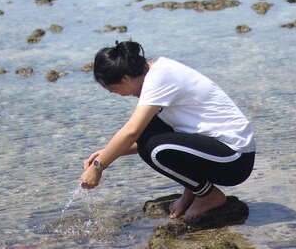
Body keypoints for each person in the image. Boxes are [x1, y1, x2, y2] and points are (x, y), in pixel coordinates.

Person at [80, 41, 255, 222]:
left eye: (115, 91)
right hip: (219, 152)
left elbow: (132, 132)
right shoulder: (156, 73)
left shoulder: (160, 77)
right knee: (149, 133)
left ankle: (209, 196)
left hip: (235, 159)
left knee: (154, 148)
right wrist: (108, 152)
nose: (121, 96)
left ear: (125, 79)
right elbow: (142, 138)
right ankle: (194, 192)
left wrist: (99, 166)